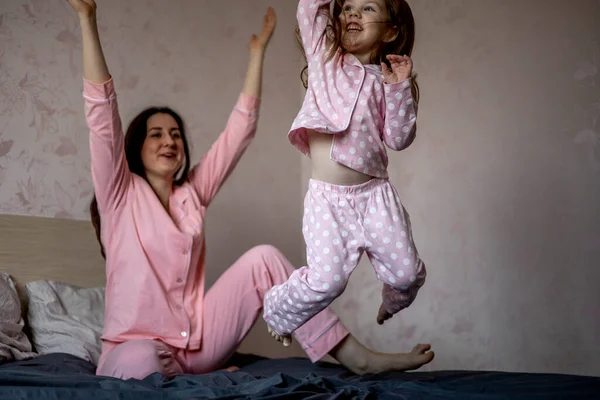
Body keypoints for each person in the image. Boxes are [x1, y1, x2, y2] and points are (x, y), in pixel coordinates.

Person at [67, 0, 433, 379]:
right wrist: (87, 20)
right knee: (141, 361)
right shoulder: (118, 193)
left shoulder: (191, 194)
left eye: (175, 134)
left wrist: (257, 54)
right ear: (135, 146)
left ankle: (358, 357)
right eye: (156, 134)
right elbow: (102, 116)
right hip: (136, 345)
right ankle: (172, 375)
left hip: (197, 346)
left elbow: (238, 133)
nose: (169, 141)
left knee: (263, 258)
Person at [263, 0, 428, 341]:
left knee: (407, 274)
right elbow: (310, 10)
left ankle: (392, 303)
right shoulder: (326, 60)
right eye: (347, 7)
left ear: (391, 31)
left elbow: (398, 139)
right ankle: (279, 310)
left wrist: (399, 88)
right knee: (327, 282)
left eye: (367, 9)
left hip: (375, 198)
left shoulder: (387, 81)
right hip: (328, 201)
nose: (352, 14)